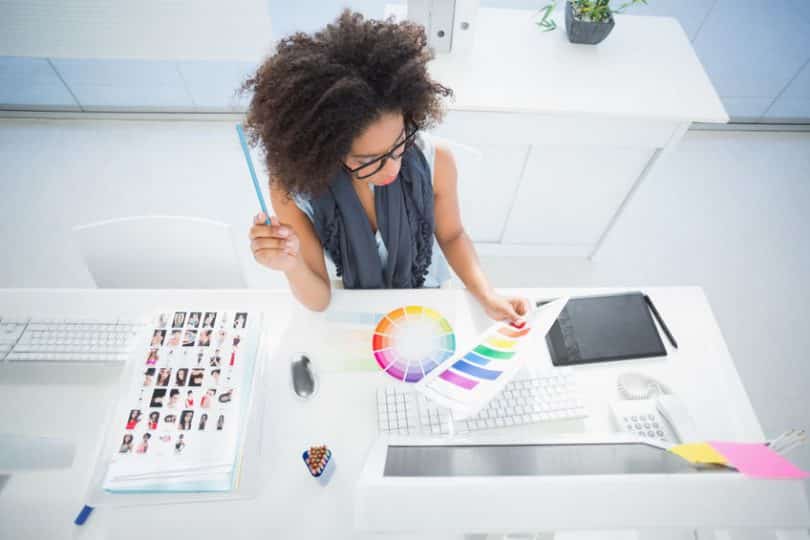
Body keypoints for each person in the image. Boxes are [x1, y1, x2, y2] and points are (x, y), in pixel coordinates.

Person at [242, 10, 529, 323]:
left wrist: (486, 294)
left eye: (398, 144)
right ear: (326, 151)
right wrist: (291, 264)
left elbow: (452, 235)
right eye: (369, 161)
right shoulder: (292, 189)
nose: (392, 168)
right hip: (356, 306)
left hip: (427, 293)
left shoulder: (437, 161)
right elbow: (320, 299)